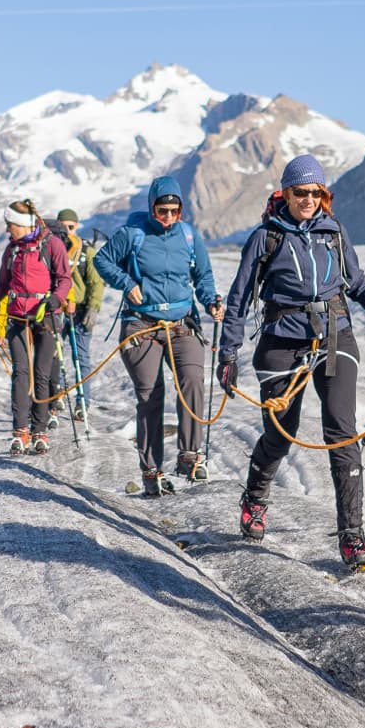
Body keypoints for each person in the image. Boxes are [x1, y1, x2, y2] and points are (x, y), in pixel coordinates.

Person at [218, 154, 365, 576]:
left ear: (324, 194)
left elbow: (356, 284)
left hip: (335, 336)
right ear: (285, 192)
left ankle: (352, 535)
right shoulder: (265, 237)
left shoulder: (333, 231)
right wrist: (228, 353)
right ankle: (256, 497)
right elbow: (239, 299)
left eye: (316, 192)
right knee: (280, 434)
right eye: (300, 192)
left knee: (342, 435)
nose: (308, 199)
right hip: (282, 342)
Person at [94, 179, 220, 497]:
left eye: (174, 211)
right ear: (152, 207)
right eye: (162, 210)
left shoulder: (189, 236)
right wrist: (125, 282)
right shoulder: (132, 234)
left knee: (192, 379)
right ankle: (152, 469)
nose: (168, 217)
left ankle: (190, 456)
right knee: (151, 394)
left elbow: (202, 275)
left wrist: (210, 300)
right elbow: (102, 260)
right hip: (141, 325)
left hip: (181, 323)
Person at [0, 201, 75, 455]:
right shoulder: (12, 250)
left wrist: (55, 300)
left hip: (45, 318)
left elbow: (64, 279)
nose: (7, 230)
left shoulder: (52, 245)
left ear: (21, 225)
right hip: (17, 319)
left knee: (42, 375)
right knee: (21, 373)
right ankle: (20, 432)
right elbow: (2, 287)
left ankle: (40, 431)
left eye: (9, 225)